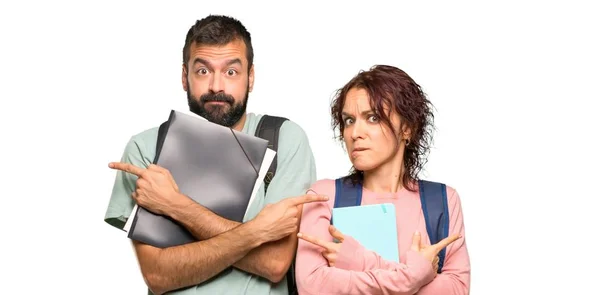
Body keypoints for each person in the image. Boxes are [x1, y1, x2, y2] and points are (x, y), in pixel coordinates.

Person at [103, 15, 325, 295]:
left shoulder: (284, 139)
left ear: (251, 77)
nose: (217, 86)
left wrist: (176, 205)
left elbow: (274, 262)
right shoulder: (147, 148)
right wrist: (257, 232)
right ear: (185, 77)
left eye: (231, 72)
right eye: (203, 71)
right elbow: (157, 275)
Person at [294, 65, 471, 294]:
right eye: (349, 120)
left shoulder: (443, 200)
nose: (355, 133)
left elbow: (456, 289)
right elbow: (313, 286)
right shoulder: (324, 196)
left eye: (373, 118)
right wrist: (416, 274)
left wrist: (359, 261)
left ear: (407, 128)